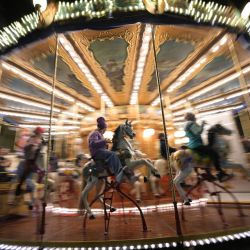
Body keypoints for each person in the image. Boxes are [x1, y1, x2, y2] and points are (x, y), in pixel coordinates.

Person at [184, 112, 233, 182]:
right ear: (191, 117)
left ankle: (209, 173)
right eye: (194, 117)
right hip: (196, 145)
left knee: (209, 153)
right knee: (214, 154)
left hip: (193, 145)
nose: (195, 118)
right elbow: (198, 132)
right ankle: (220, 173)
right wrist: (202, 124)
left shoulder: (187, 124)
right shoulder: (190, 123)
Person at [88, 117, 136, 184]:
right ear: (103, 128)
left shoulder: (100, 134)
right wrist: (104, 141)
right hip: (97, 152)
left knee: (113, 153)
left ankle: (114, 171)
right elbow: (93, 143)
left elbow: (101, 144)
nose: (105, 130)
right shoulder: (95, 133)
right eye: (105, 129)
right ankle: (118, 175)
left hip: (100, 151)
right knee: (113, 154)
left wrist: (106, 144)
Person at [15, 126, 45, 196]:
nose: (41, 134)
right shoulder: (31, 139)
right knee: (26, 174)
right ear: (37, 133)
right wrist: (32, 147)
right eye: (40, 133)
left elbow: (39, 150)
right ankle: (20, 188)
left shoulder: (39, 140)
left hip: (34, 160)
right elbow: (26, 148)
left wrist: (38, 148)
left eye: (41, 133)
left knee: (38, 173)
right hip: (29, 160)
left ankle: (29, 190)